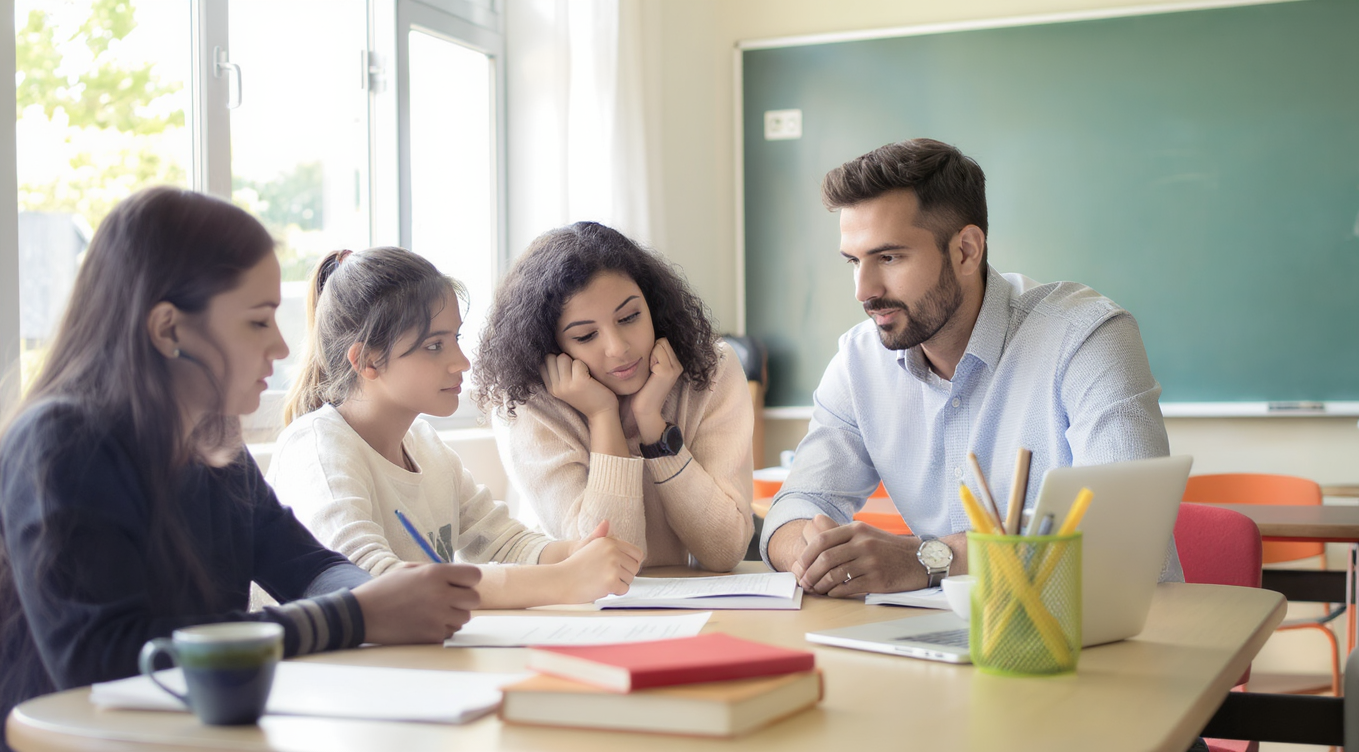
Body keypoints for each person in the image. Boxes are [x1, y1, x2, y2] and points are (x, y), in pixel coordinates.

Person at [0, 188, 480, 752]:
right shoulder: (61, 445)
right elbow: (108, 661)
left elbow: (307, 566)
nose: (283, 346)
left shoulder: (214, 444)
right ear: (169, 330)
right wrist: (357, 615)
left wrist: (383, 595)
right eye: (258, 322)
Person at [762, 138, 1183, 596]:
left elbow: (1122, 532)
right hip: (935, 643)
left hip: (1107, 638)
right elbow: (795, 508)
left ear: (966, 250)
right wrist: (817, 554)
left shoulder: (1086, 337)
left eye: (889, 257)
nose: (864, 291)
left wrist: (928, 559)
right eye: (853, 262)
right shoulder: (858, 362)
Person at [268, 247, 642, 608]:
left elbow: (506, 543)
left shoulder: (424, 446)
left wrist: (574, 553)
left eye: (456, 338)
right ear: (367, 360)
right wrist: (562, 580)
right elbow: (369, 584)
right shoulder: (317, 450)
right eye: (434, 346)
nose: (461, 362)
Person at [473, 222, 754, 571]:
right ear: (551, 345)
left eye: (630, 316)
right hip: (574, 612)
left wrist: (654, 429)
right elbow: (607, 559)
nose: (618, 348)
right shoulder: (526, 402)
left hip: (685, 605)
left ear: (654, 305)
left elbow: (725, 549)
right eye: (586, 335)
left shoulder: (710, 368)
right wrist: (603, 416)